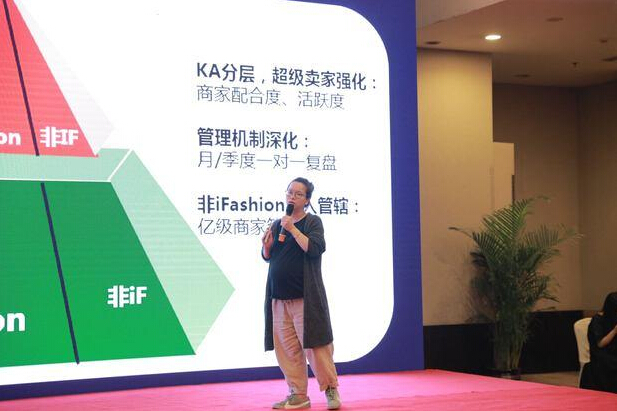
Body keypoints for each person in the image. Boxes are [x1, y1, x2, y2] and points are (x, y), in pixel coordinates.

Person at [261, 177, 341, 410]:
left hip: (305, 298)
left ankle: (330, 389)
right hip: (278, 297)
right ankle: (298, 394)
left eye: (298, 194)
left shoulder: (312, 222)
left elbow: (314, 249)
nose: (292, 197)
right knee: (287, 350)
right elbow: (269, 257)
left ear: (307, 200)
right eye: (289, 192)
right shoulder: (278, 224)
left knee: (316, 347)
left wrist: (292, 229)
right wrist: (266, 247)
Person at [587, 292, 617, 393]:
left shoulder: (613, 317)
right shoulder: (597, 320)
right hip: (602, 355)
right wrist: (614, 331)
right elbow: (600, 343)